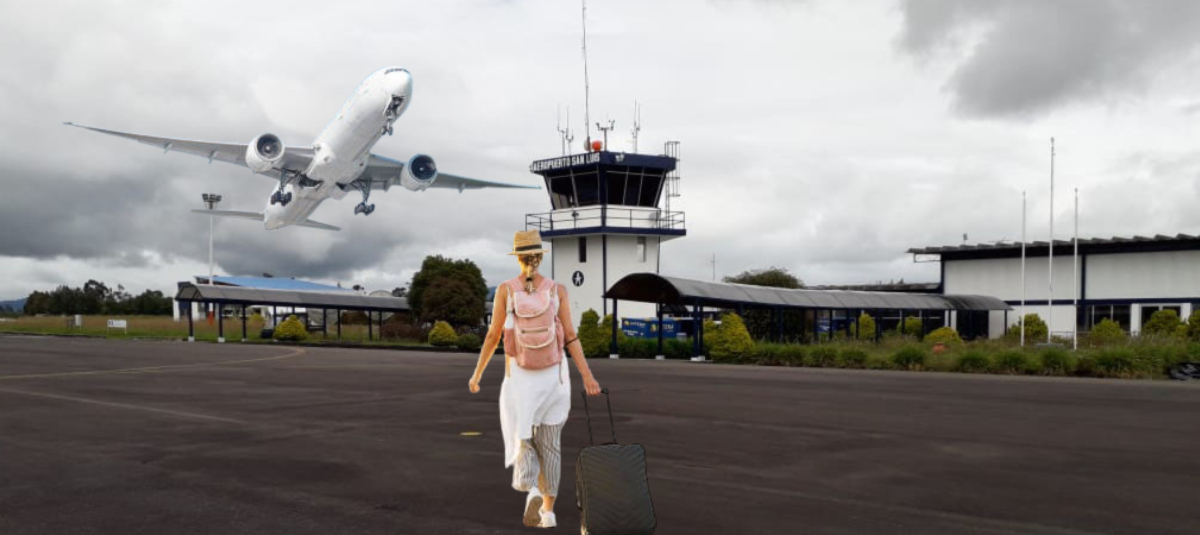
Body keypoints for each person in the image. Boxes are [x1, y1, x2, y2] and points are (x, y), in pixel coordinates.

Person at [469, 230, 602, 529]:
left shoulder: (505, 290)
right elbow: (570, 337)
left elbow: (493, 336)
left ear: (518, 257)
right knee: (551, 445)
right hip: (555, 379)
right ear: (540, 256)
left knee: (524, 439)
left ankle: (530, 490)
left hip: (521, 379)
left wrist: (477, 374)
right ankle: (549, 513)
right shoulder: (558, 290)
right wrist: (588, 377)